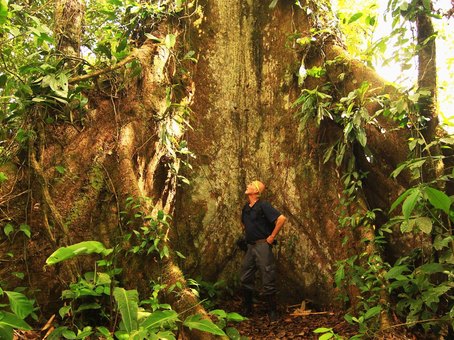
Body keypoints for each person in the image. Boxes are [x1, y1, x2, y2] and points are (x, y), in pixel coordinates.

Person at [240, 180, 286, 322]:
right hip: (250, 247)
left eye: (251, 185)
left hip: (262, 246)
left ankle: (272, 311)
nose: (247, 185)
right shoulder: (246, 208)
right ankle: (248, 308)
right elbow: (244, 224)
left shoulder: (263, 205)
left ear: (257, 191)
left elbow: (281, 218)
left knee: (268, 276)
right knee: (245, 277)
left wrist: (271, 237)